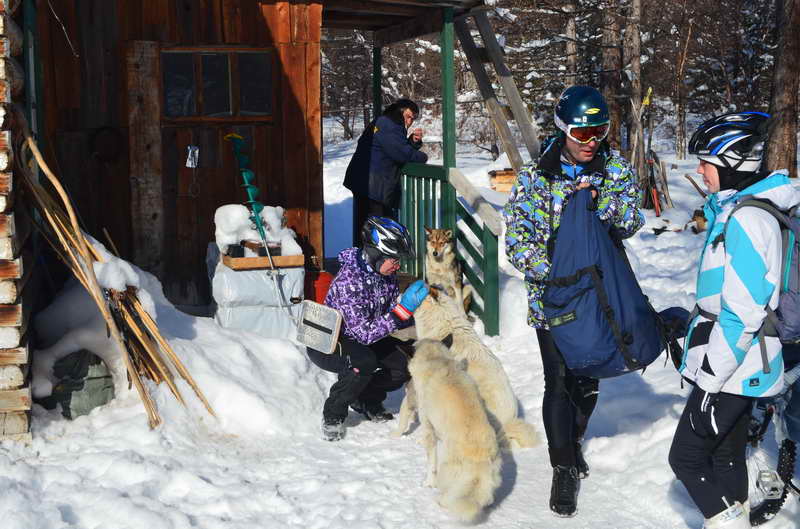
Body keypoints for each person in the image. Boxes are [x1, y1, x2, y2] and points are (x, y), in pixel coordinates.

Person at [503, 85, 645, 517]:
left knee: (589, 377)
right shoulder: (536, 177)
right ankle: (562, 465)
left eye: (599, 132)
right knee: (560, 381)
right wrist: (557, 272)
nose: (590, 142)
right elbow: (517, 241)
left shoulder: (614, 169)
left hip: (601, 298)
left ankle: (574, 438)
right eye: (582, 133)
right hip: (555, 299)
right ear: (563, 130)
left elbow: (631, 220)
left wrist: (605, 204)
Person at [668, 111, 800, 529]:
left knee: (686, 456)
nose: (701, 172)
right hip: (746, 360)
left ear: (731, 164)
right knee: (725, 453)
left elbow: (742, 313)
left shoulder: (747, 219)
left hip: (734, 361)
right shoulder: (743, 209)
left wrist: (709, 380)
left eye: (707, 163)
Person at [306, 216, 429, 442]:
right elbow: (363, 333)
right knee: (364, 361)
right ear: (375, 254)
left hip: (365, 337)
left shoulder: (386, 276)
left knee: (405, 362)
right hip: (332, 341)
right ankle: (333, 414)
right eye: (393, 258)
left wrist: (413, 310)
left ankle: (365, 399)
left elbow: (388, 315)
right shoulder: (349, 281)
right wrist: (402, 311)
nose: (397, 264)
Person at [343, 99, 428, 244]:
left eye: (413, 119)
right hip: (373, 184)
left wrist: (412, 143)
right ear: (399, 111)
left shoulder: (384, 122)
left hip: (367, 181)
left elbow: (389, 149)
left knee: (366, 225)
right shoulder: (389, 125)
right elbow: (399, 153)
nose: (410, 121)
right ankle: (372, 263)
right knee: (376, 228)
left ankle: (363, 262)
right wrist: (423, 156)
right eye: (408, 116)